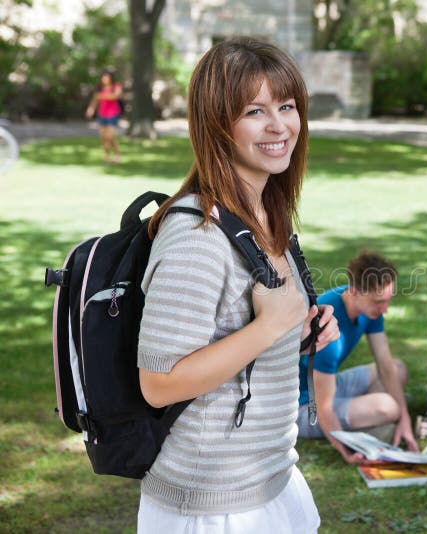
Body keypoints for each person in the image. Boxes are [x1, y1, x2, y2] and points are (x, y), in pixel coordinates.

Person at [135, 38, 340, 532]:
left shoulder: (267, 216)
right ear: (216, 124)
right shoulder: (196, 234)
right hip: (211, 503)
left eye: (287, 106)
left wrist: (299, 333)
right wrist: (269, 328)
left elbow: (242, 346)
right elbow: (158, 383)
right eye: (255, 111)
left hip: (270, 479)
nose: (279, 126)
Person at [296, 251, 419, 463]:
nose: (385, 309)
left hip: (328, 385)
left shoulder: (369, 310)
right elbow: (323, 407)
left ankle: (375, 418)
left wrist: (405, 420)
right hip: (303, 406)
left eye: (388, 301)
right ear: (354, 291)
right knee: (388, 406)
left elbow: (385, 365)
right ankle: (375, 422)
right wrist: (348, 452)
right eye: (379, 302)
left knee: (399, 368)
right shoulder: (327, 326)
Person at [85, 69, 123, 164]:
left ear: (110, 78)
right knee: (103, 137)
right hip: (102, 114)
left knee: (110, 136)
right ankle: (106, 157)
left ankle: (118, 155)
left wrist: (102, 96)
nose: (104, 79)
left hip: (113, 114)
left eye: (106, 77)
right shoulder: (100, 88)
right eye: (103, 77)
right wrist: (91, 109)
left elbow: (115, 96)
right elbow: (95, 100)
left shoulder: (116, 86)